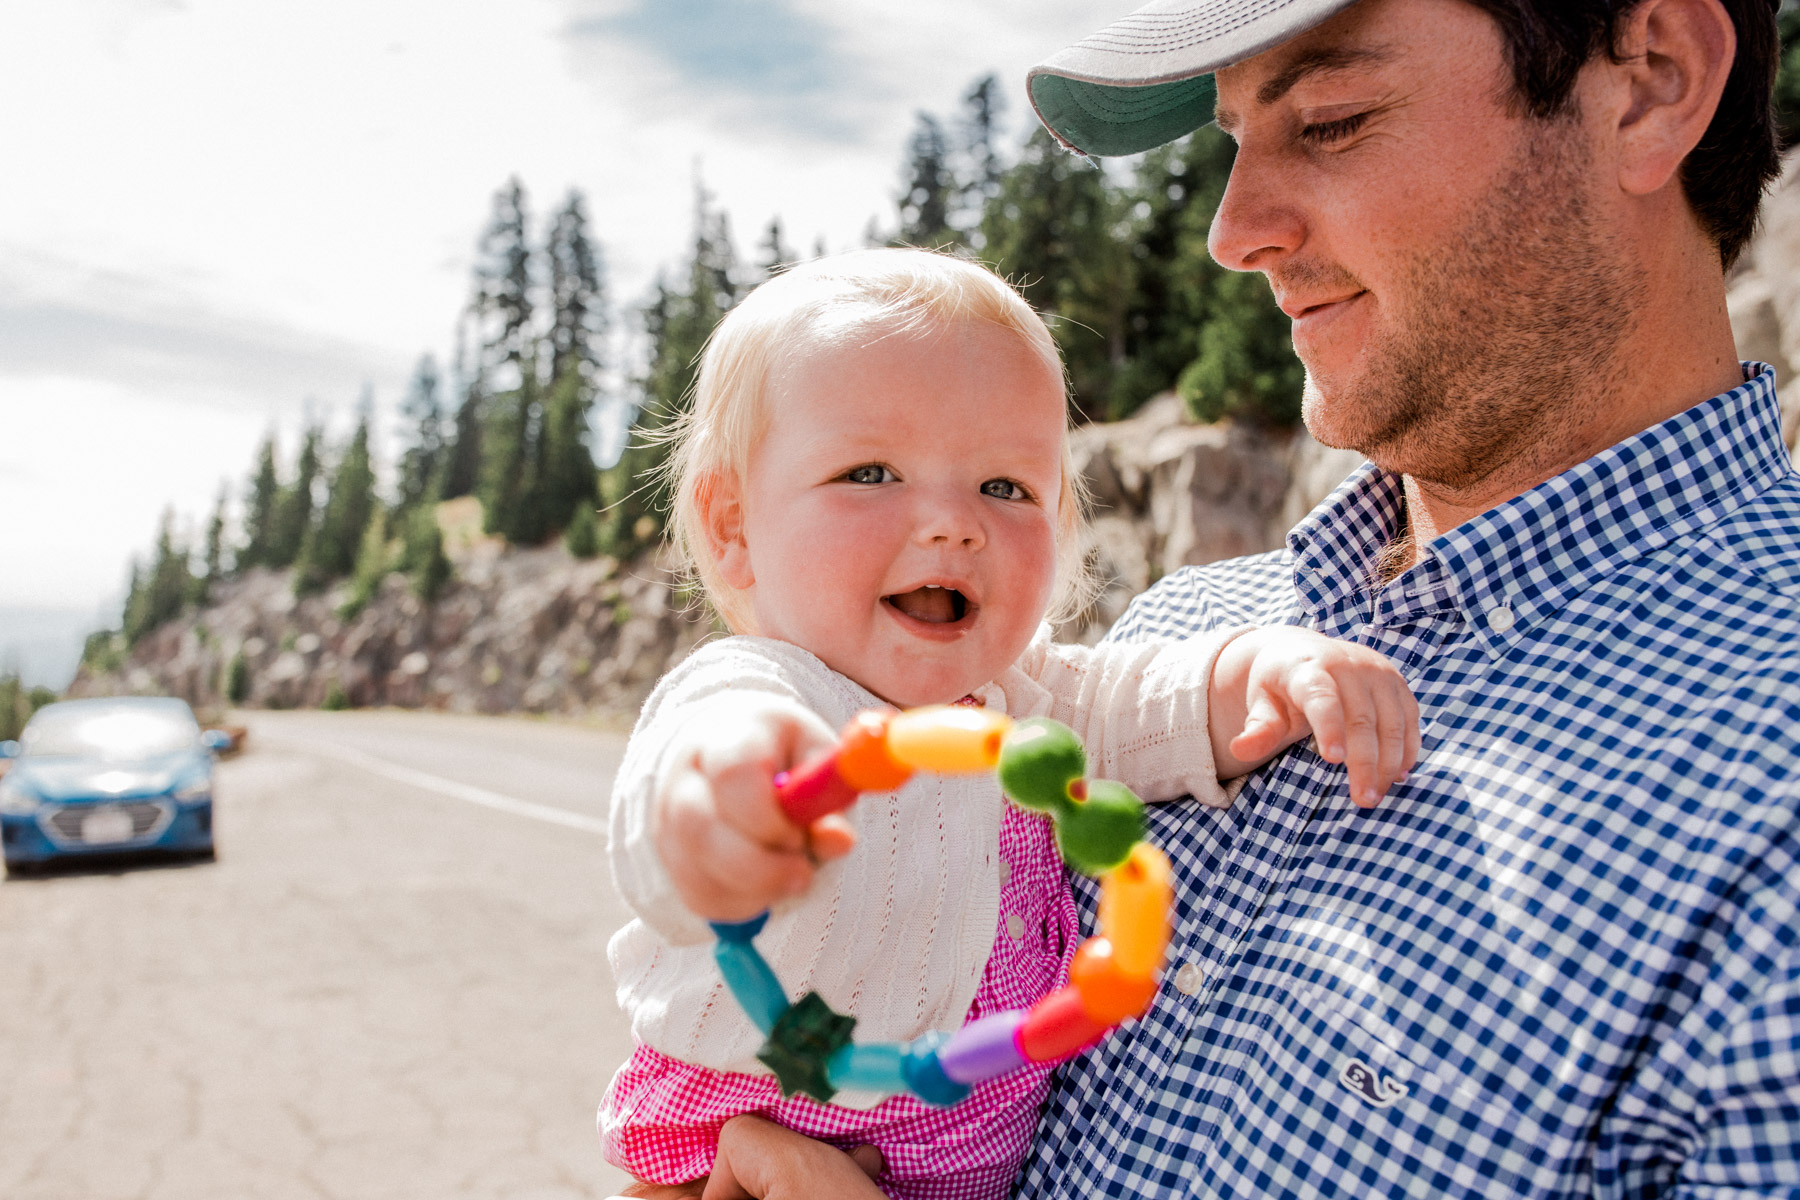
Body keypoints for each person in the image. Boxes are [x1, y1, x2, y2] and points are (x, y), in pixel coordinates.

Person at [1010, 0, 1800, 1196]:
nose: (1233, 232)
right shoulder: (1167, 648)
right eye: (1232, 139)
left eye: (1331, 118)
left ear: (1650, 80)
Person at [597, 248, 1422, 1200]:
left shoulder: (1016, 701)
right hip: (757, 1134)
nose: (953, 522)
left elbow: (1138, 701)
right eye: (870, 471)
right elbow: (685, 771)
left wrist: (1265, 670)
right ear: (735, 525)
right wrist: (723, 812)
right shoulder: (765, 692)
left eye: (1006, 488)